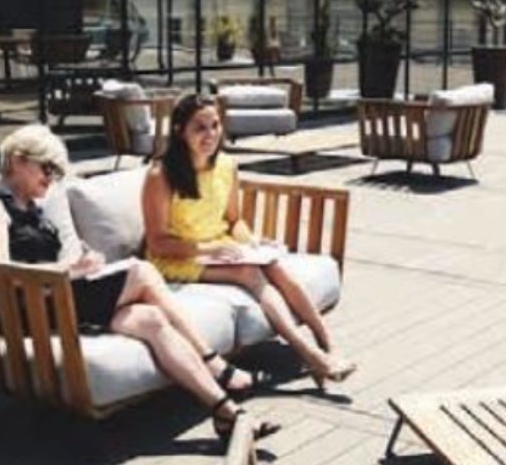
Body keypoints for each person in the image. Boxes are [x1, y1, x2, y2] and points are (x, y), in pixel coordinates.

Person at [0, 124, 274, 441]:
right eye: (47, 168)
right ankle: (211, 360)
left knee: (151, 319)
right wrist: (69, 269)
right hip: (22, 313)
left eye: (57, 172)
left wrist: (84, 263)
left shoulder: (30, 206)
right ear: (18, 161)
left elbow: (41, 262)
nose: (52, 178)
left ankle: (224, 411)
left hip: (50, 300)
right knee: (141, 272)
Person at [142, 93, 355, 386]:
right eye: (200, 128)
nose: (210, 134)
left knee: (274, 265)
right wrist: (210, 249)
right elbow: (157, 243)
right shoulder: (161, 175)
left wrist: (252, 242)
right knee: (249, 272)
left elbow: (234, 221)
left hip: (219, 247)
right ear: (180, 131)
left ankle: (328, 344)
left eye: (215, 125)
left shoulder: (226, 165)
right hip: (176, 257)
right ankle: (310, 355)